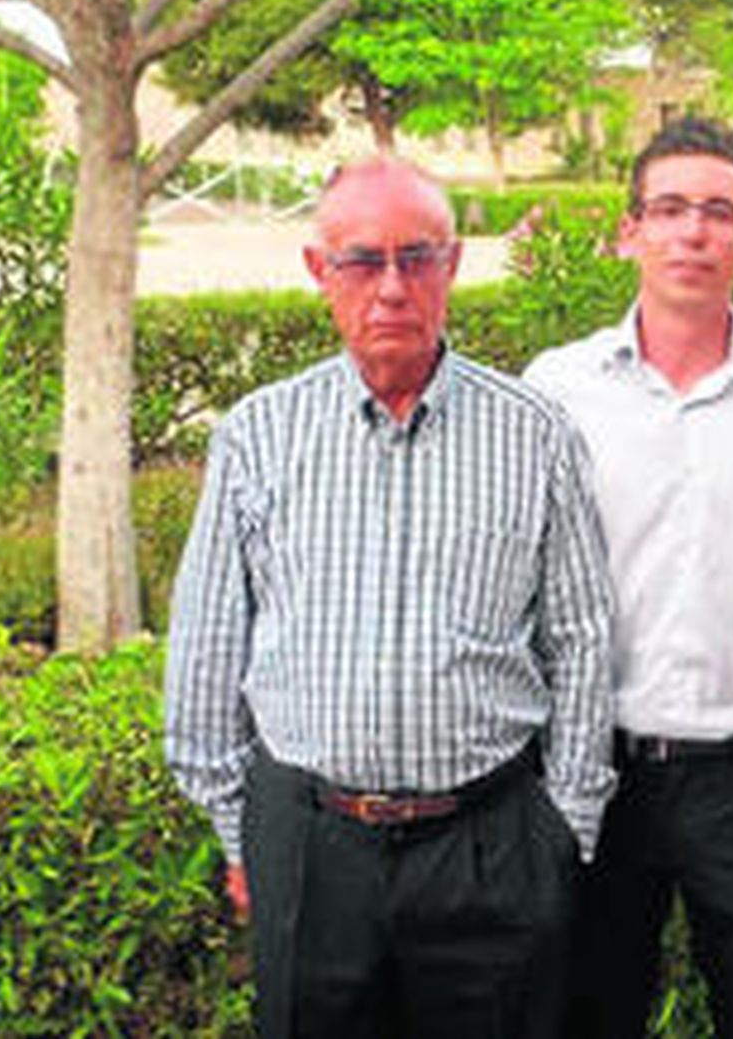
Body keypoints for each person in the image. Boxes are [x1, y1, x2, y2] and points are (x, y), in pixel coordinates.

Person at [165, 156, 616, 1039]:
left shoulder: (536, 435)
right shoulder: (259, 435)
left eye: (419, 257)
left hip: (490, 845)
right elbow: (208, 643)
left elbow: (584, 635)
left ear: (453, 266)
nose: (393, 287)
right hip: (312, 847)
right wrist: (240, 831)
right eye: (363, 261)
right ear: (318, 273)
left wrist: (565, 827)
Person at [524, 116, 733, 1039]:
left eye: (717, 212)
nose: (692, 232)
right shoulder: (558, 386)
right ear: (628, 231)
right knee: (588, 1013)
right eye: (668, 209)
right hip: (596, 768)